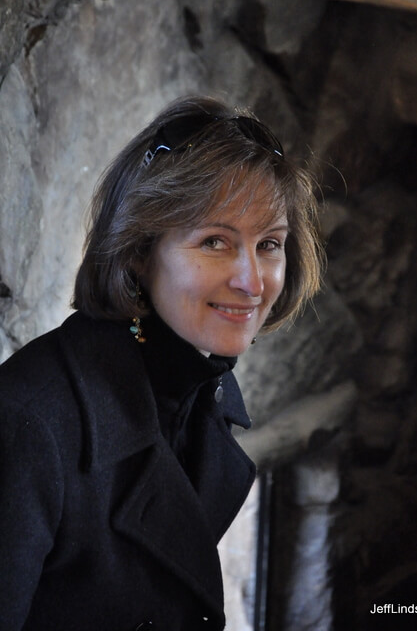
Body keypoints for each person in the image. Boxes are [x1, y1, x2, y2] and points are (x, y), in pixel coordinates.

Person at [0, 95, 324, 630]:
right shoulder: (29, 422)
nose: (252, 281)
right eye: (215, 241)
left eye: (269, 244)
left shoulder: (200, 397)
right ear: (137, 252)